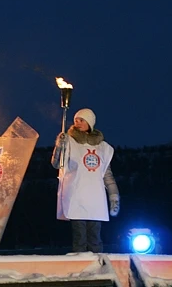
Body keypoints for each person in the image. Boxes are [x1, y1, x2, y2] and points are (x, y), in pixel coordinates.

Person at [51, 108, 120, 253]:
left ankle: (98, 268)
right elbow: (57, 164)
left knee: (95, 238)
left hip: (95, 199)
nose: (78, 123)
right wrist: (59, 146)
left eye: (81, 120)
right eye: (76, 120)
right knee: (79, 238)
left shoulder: (103, 148)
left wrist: (114, 196)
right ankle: (81, 268)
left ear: (90, 122)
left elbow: (107, 175)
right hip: (76, 197)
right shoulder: (69, 142)